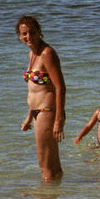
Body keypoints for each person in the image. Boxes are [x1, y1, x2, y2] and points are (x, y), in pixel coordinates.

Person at [16, 15, 65, 181]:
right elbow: (35, 90)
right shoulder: (32, 54)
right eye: (24, 34)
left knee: (44, 164)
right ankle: (58, 195)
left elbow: (60, 88)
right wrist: (29, 116)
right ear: (19, 36)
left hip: (47, 111)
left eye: (32, 32)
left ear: (39, 31)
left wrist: (58, 120)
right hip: (37, 112)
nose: (28, 36)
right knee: (52, 165)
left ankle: (45, 196)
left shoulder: (47, 53)